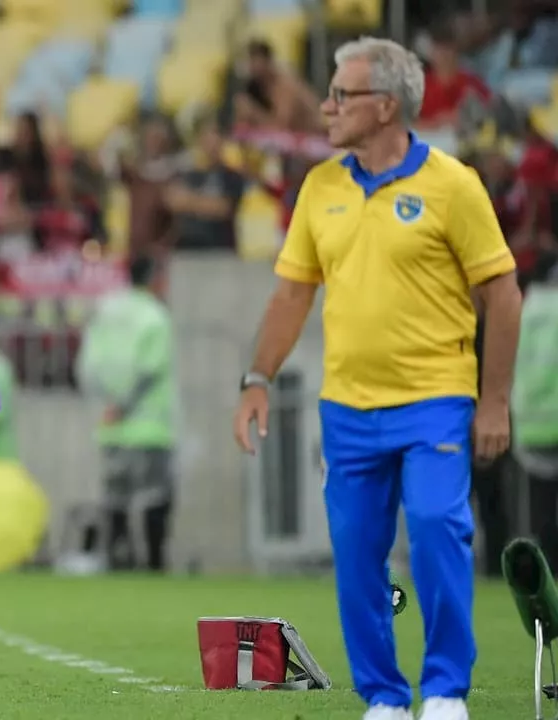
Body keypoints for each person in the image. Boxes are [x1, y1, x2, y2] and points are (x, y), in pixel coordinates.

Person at [232, 37, 522, 720]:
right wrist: (255, 379)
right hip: (348, 408)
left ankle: (446, 688)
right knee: (358, 553)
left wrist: (496, 402)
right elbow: (290, 296)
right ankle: (385, 697)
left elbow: (503, 294)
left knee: (434, 526)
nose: (325, 106)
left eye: (341, 94)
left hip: (435, 399)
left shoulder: (454, 185)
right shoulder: (320, 187)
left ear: (386, 106)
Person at [75, 256, 176, 572]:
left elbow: (87, 366)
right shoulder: (156, 316)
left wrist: (106, 404)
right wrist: (124, 406)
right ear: (155, 279)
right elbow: (151, 370)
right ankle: (154, 563)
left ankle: (118, 559)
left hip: (111, 426)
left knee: (116, 497)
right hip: (149, 425)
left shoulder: (106, 312)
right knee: (155, 497)